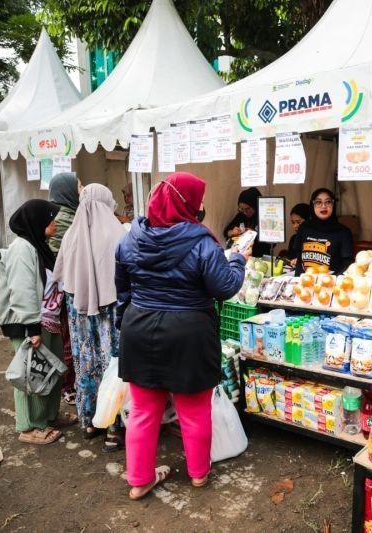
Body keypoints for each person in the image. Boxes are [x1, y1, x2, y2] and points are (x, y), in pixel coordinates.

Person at [115, 172, 248, 500]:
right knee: (194, 410)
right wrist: (238, 260)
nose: (202, 205)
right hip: (188, 333)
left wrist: (125, 323)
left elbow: (123, 290)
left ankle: (139, 479)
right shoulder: (202, 242)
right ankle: (199, 474)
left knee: (144, 410)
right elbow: (226, 286)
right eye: (198, 199)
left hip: (139, 328)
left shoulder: (131, 238)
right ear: (187, 203)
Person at [52, 184, 126, 449]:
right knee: (112, 366)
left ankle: (90, 421)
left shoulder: (71, 235)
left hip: (80, 314)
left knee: (87, 365)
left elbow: (60, 277)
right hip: (111, 313)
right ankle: (114, 429)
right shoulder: (118, 234)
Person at [0, 199, 77, 445]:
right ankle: (29, 426)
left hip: (46, 318)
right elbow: (22, 292)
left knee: (51, 370)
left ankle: (49, 416)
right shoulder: (22, 249)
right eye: (50, 217)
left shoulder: (37, 245)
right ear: (37, 221)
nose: (54, 222)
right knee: (32, 375)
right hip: (29, 322)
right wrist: (32, 328)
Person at [47, 172, 82, 406]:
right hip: (64, 287)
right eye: (78, 187)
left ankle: (64, 384)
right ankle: (68, 387)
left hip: (52, 288)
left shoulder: (51, 214)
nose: (81, 191)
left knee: (61, 337)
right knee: (68, 338)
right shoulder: (68, 218)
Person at [292, 188, 354, 275]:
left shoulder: (343, 232)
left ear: (333, 204)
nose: (324, 206)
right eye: (318, 202)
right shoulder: (304, 228)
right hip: (305, 283)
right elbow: (299, 259)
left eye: (328, 202)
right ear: (312, 204)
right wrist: (298, 281)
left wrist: (332, 280)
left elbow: (347, 263)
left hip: (330, 285)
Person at [222, 187, 266, 257]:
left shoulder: (264, 217)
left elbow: (271, 242)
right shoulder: (241, 216)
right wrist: (233, 232)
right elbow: (226, 232)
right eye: (241, 209)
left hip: (259, 257)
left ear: (255, 206)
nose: (245, 212)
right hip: (240, 257)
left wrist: (254, 234)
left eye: (248, 209)